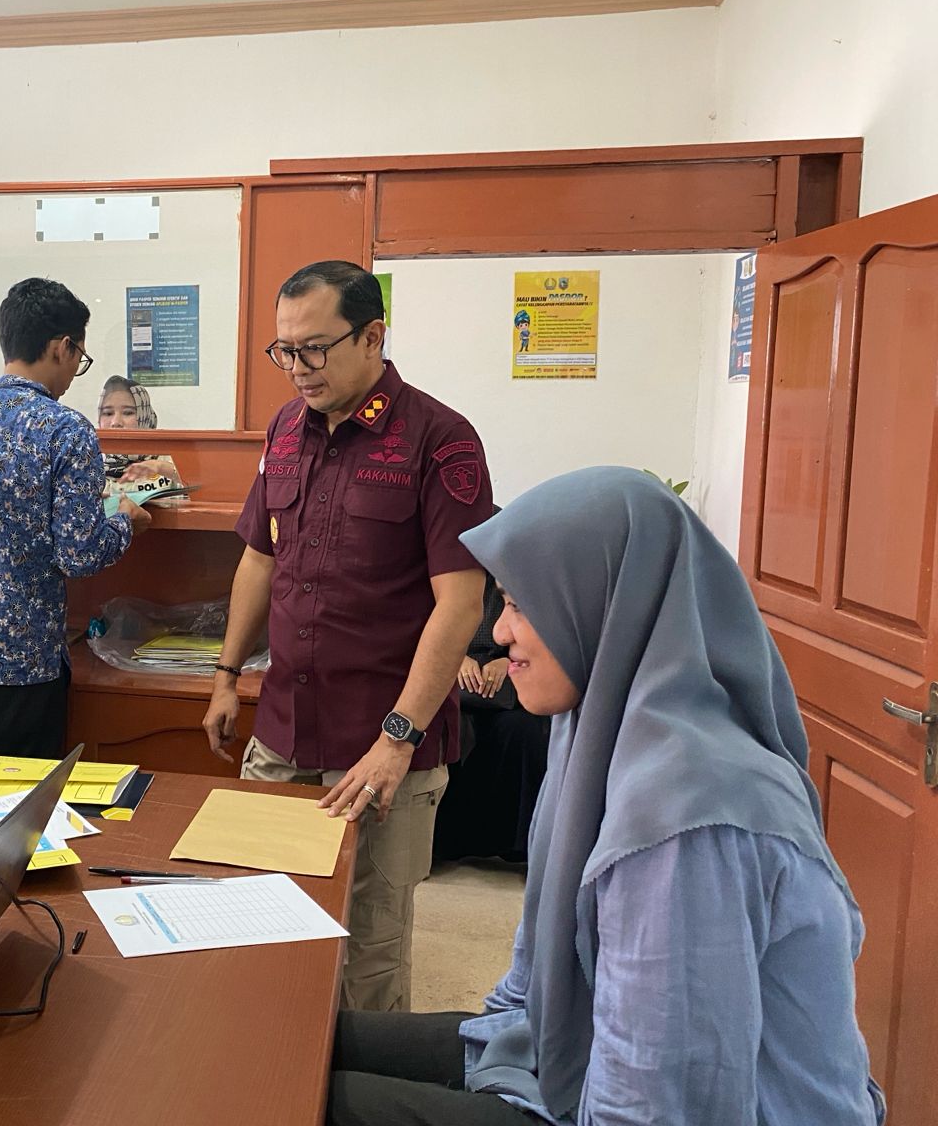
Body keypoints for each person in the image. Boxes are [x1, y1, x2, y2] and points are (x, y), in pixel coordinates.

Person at [327, 467, 885, 1126]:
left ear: (601, 604)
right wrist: (503, 1056)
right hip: (576, 1055)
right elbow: (534, 985)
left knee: (298, 1097)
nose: (500, 634)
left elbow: (659, 1105)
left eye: (521, 606)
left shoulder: (685, 815)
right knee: (306, 1041)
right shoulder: (596, 728)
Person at [202, 259, 491, 1013]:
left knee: (368, 949)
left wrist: (398, 740)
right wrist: (227, 675)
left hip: (383, 743)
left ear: (372, 337)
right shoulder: (284, 431)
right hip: (285, 729)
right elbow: (260, 558)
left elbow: (460, 605)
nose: (298, 368)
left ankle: (360, 1078)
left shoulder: (442, 440)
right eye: (284, 350)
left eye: (315, 349)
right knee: (265, 922)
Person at [0, 278, 150, 769]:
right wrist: (126, 522)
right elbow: (79, 554)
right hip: (18, 663)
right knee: (14, 811)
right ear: (63, 347)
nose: (75, 372)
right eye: (80, 358)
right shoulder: (66, 429)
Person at [433, 567, 550, 864]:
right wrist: (454, 657)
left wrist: (508, 660)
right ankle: (443, 841)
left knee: (525, 729)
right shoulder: (443, 573)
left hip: (506, 682)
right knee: (448, 724)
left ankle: (520, 845)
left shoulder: (519, 573)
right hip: (450, 677)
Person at [97, 374, 180, 485]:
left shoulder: (169, 457)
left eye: (128, 413)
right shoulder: (88, 462)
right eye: (108, 413)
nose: (115, 423)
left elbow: (198, 484)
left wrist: (161, 467)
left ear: (144, 416)